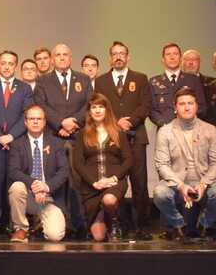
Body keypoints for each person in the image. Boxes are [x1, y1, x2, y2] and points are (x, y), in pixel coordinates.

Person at [153, 87, 216, 240]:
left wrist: (203, 184)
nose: (187, 107)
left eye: (190, 103)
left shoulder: (210, 130)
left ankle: (204, 224)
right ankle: (179, 225)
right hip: (177, 181)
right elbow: (162, 164)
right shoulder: (165, 131)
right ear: (175, 108)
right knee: (160, 193)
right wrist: (180, 185)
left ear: (196, 106)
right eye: (182, 104)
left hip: (205, 179)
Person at [93, 40, 151, 239]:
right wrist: (116, 123)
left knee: (139, 184)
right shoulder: (100, 81)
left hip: (136, 137)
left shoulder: (140, 78)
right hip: (112, 139)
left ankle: (142, 227)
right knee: (115, 183)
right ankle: (120, 225)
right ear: (110, 58)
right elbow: (99, 107)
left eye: (122, 53)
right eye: (115, 54)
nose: (118, 57)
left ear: (128, 57)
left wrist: (130, 121)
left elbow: (145, 106)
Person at [34, 43, 91, 236]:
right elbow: (41, 105)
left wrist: (73, 123)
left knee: (77, 182)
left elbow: (88, 104)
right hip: (53, 137)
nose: (61, 57)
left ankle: (78, 224)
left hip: (77, 137)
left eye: (65, 54)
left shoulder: (83, 79)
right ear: (52, 59)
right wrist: (60, 123)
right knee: (55, 181)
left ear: (71, 57)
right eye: (57, 55)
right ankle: (56, 223)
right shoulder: (43, 80)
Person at [0, 50, 35, 239]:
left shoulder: (24, 88)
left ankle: (13, 225)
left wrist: (10, 136)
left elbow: (26, 115)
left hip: (16, 144)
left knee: (14, 186)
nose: (6, 67)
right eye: (3, 63)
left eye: (11, 63)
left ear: (15, 66)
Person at [71, 93, 133, 242]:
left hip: (114, 183)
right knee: (98, 237)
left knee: (109, 200)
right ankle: (103, 217)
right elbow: (78, 163)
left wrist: (114, 178)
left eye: (101, 107)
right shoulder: (82, 134)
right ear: (89, 111)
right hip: (91, 187)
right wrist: (94, 182)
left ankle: (114, 222)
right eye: (94, 107)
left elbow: (128, 160)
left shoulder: (118, 133)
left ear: (107, 110)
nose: (97, 110)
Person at [7, 105, 69, 243]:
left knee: (55, 236)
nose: (35, 122)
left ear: (45, 122)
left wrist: (46, 187)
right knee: (16, 187)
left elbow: (64, 171)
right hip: (27, 196)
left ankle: (39, 223)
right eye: (32, 119)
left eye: (39, 119)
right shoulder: (17, 144)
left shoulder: (56, 143)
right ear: (25, 122)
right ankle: (21, 229)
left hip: (49, 198)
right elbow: (13, 171)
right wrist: (35, 185)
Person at [149, 43, 207, 127]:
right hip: (165, 129)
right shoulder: (154, 82)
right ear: (163, 59)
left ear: (180, 58)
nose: (172, 57)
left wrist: (188, 121)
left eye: (175, 54)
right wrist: (164, 124)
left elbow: (201, 107)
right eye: (168, 54)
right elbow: (152, 110)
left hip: (190, 128)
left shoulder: (193, 80)